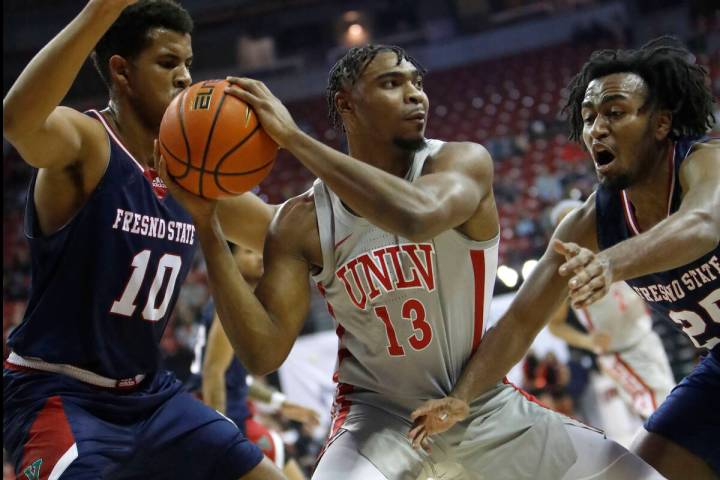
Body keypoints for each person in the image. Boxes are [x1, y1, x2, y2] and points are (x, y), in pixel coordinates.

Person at [160, 44, 661, 479]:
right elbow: (264, 355)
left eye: (417, 82)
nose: (415, 93)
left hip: (480, 402)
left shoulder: (461, 162)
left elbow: (417, 215)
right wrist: (207, 227)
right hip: (375, 421)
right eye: (391, 82)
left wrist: (293, 139)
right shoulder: (301, 220)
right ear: (346, 104)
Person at [409, 37, 719, 479]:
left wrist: (612, 262)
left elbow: (703, 223)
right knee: (633, 474)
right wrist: (461, 398)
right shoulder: (591, 220)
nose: (597, 128)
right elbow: (520, 320)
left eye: (615, 112)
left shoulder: (706, 161)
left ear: (661, 123)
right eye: (589, 117)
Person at [2, 1, 282, 478]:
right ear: (122, 71)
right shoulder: (88, 142)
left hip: (150, 395)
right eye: (168, 62)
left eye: (188, 63)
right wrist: (99, 11)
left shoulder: (193, 174)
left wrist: (294, 140)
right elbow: (18, 123)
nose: (185, 77)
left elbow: (281, 227)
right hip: (57, 393)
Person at [188, 245, 320, 480]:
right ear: (230, 260)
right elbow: (213, 373)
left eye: (258, 250)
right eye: (248, 252)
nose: (259, 256)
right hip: (225, 419)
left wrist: (281, 403)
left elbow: (234, 378)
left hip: (227, 415)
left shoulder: (234, 301)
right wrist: (220, 437)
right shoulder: (229, 305)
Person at [547, 199, 675, 421]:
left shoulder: (614, 244)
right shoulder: (566, 272)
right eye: (566, 222)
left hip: (647, 338)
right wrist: (588, 341)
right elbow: (555, 325)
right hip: (618, 353)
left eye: (577, 217)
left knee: (672, 402)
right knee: (664, 412)